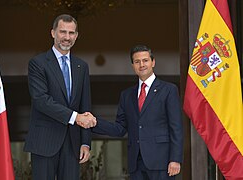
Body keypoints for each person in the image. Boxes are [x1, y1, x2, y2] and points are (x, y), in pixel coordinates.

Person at [92, 45, 183, 180]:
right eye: (137, 61)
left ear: (153, 62)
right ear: (133, 65)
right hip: (136, 163)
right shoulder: (126, 95)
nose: (142, 65)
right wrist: (95, 122)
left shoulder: (169, 90)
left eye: (145, 60)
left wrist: (175, 159)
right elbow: (120, 129)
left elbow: (176, 127)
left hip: (161, 162)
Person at [24, 14, 96, 180]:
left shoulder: (81, 66)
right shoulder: (38, 63)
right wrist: (75, 117)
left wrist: (85, 142)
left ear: (76, 36)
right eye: (62, 32)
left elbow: (85, 105)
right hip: (44, 142)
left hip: (72, 144)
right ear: (53, 33)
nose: (67, 37)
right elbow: (41, 100)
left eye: (71, 33)